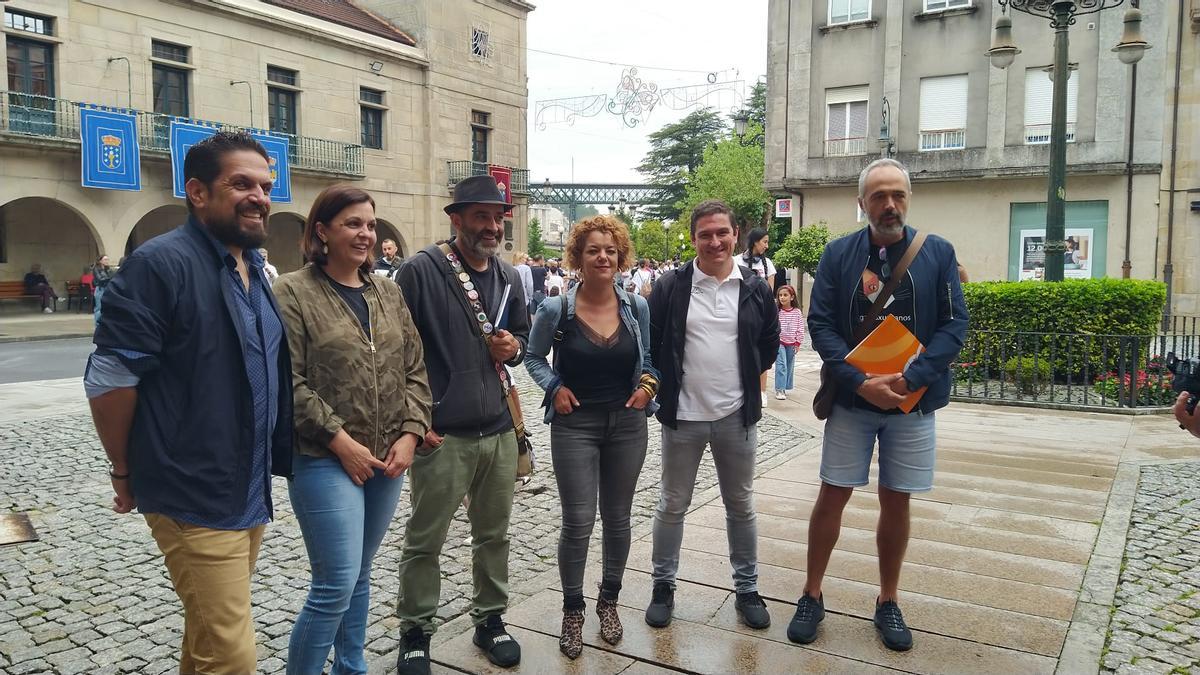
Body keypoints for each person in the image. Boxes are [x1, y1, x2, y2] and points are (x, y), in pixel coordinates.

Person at [84, 130, 292, 673]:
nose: (259, 196)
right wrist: (124, 470)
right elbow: (108, 378)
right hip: (191, 491)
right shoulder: (160, 264)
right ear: (197, 192)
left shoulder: (250, 267)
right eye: (241, 183)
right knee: (234, 654)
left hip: (245, 485)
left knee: (207, 636)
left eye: (265, 186)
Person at [793, 157, 967, 652]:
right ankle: (811, 593)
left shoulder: (936, 252)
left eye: (898, 196)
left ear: (907, 199)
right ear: (862, 202)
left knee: (897, 498)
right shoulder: (838, 254)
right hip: (852, 402)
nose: (889, 205)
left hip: (913, 405)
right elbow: (821, 324)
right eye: (878, 196)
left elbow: (955, 325)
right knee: (833, 495)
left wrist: (912, 378)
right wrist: (859, 382)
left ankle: (888, 600)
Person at [274, 185, 431, 675]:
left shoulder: (388, 291)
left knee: (360, 574)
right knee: (335, 582)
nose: (365, 234)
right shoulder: (292, 292)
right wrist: (342, 442)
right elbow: (288, 382)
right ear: (322, 231)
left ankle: (352, 666)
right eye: (352, 224)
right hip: (324, 456)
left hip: (388, 458)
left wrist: (410, 432)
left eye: (370, 224)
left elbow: (415, 369)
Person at [393, 175, 530, 675]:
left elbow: (523, 335)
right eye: (481, 216)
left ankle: (490, 620)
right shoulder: (420, 271)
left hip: (496, 428)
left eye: (498, 218)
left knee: (494, 534)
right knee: (425, 538)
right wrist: (412, 422)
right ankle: (414, 631)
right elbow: (394, 353)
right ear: (456, 219)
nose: (492, 226)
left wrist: (512, 346)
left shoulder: (509, 277)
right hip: (441, 432)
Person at [525, 215, 658, 659]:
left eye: (611, 250)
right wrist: (554, 388)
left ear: (621, 257)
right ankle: (573, 610)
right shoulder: (555, 309)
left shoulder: (635, 307)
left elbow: (650, 362)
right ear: (578, 258)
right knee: (578, 522)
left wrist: (647, 388)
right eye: (593, 250)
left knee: (618, 519)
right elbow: (533, 358)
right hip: (574, 426)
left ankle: (609, 601)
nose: (603, 257)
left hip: (626, 425)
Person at [645, 199, 780, 631]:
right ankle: (663, 585)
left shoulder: (755, 287)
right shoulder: (671, 286)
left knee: (740, 504)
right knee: (672, 503)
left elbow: (770, 342)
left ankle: (747, 588)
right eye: (705, 234)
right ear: (693, 238)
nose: (715, 241)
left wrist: (740, 378)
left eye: (722, 232)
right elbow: (654, 341)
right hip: (682, 417)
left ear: (735, 235)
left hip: (736, 417)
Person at [738, 228, 778, 407]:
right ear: (755, 241)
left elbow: (770, 292)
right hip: (741, 311)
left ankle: (761, 390)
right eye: (764, 242)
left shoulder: (767, 263)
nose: (766, 246)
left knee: (760, 349)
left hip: (761, 313)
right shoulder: (737, 261)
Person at [774, 284, 804, 400]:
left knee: (789, 366)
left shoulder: (797, 312)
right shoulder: (777, 311)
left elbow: (800, 327)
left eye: (785, 295)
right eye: (780, 295)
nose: (782, 297)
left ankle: (785, 387)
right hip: (779, 342)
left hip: (792, 343)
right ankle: (779, 389)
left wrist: (798, 343)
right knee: (781, 365)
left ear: (792, 297)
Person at [91, 255, 114, 326]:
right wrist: (109, 278)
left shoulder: (108, 269)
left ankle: (106, 323)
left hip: (108, 289)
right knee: (99, 307)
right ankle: (98, 324)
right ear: (100, 261)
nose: (107, 261)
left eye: (107, 259)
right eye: (105, 259)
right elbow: (100, 279)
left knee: (108, 307)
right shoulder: (96, 269)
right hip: (100, 289)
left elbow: (113, 277)